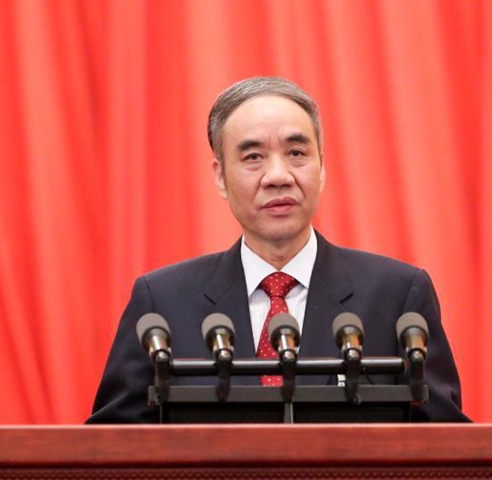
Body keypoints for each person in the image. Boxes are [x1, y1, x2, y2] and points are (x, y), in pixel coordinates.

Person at [87, 77, 469, 423]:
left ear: (322, 167)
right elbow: (110, 447)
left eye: (297, 153)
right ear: (220, 177)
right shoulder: (163, 303)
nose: (278, 176)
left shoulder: (397, 294)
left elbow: (446, 446)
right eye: (253, 157)